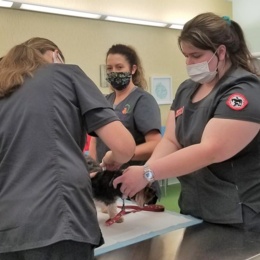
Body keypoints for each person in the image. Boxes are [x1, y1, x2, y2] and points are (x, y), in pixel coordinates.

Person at [113, 12, 260, 231]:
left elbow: (211, 150)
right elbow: (171, 140)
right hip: (195, 208)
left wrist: (148, 173)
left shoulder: (243, 91)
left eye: (196, 55)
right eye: (186, 55)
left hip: (238, 217)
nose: (189, 63)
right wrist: (147, 172)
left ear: (220, 52)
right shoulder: (187, 89)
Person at [0, 37, 135, 260]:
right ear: (55, 55)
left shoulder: (4, 86)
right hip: (59, 222)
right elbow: (124, 146)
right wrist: (112, 157)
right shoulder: (66, 74)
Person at [89, 44, 162, 201]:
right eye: (109, 68)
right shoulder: (104, 101)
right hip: (106, 185)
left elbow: (156, 144)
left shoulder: (143, 101)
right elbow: (95, 141)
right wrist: (94, 169)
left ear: (133, 69)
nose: (114, 72)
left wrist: (121, 155)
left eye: (119, 67)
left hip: (135, 185)